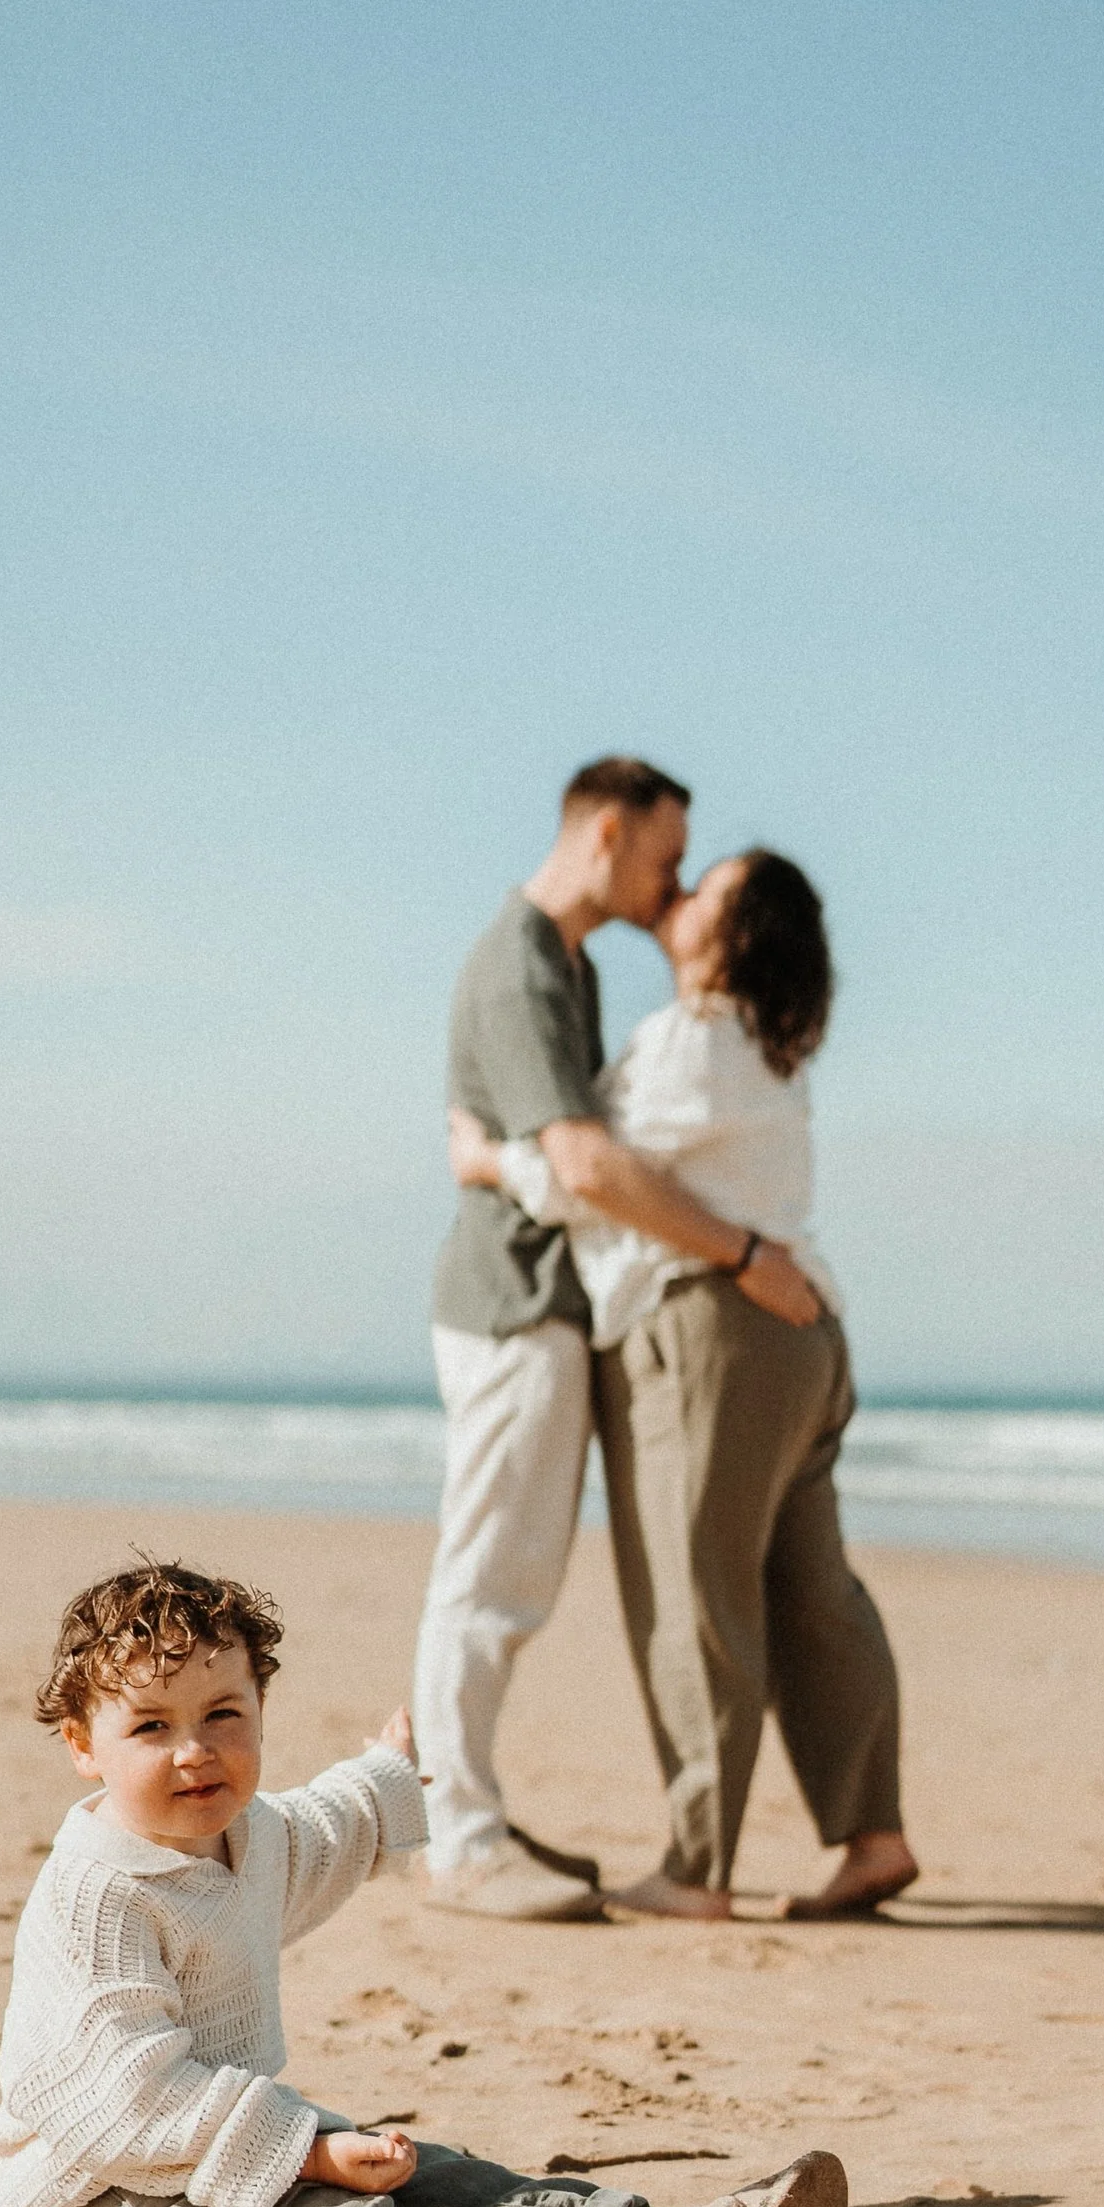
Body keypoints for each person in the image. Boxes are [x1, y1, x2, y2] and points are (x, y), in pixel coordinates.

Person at [0, 1557, 852, 2207]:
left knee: (433, 2171)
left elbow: (320, 1830)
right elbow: (123, 2097)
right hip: (100, 2185)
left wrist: (383, 1776)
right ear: (84, 1746)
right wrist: (310, 2157)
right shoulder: (98, 1896)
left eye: (223, 1715)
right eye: (151, 1726)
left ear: (260, 1710)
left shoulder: (248, 1836)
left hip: (218, 2132)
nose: (195, 1749)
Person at [454, 849, 916, 1923]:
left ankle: (697, 1868)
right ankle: (872, 1833)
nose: (682, 891)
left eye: (706, 887)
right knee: (814, 1596)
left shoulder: (692, 1041)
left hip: (705, 1336)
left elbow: (597, 1178)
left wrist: (487, 1160)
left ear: (734, 933)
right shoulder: (768, 1051)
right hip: (804, 1344)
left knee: (692, 1596)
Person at [414, 758, 825, 1923]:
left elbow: (579, 1148)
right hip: (513, 1305)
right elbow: (591, 1163)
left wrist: (498, 1157)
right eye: (664, 857)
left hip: (549, 1305)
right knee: (489, 1579)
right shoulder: (523, 967)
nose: (673, 885)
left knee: (512, 1577)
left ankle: (467, 1813)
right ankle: (455, 1835)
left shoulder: (568, 967)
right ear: (605, 833)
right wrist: (745, 1256)